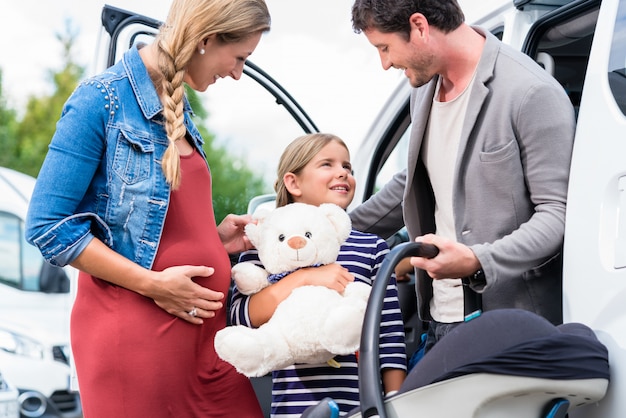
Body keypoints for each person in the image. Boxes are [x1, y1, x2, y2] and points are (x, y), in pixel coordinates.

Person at [24, 0, 271, 416]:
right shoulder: (99, 100)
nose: (237, 72)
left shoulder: (178, 104)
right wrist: (154, 284)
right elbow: (48, 225)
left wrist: (214, 238)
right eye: (240, 57)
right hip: (135, 335)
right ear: (207, 39)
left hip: (207, 338)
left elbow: (154, 222)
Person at [349, 0, 576, 353]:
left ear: (419, 26)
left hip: (512, 327)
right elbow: (412, 184)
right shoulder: (423, 91)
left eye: (384, 47)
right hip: (440, 320)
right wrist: (326, 232)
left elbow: (557, 216)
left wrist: (477, 260)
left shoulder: (530, 92)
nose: (385, 63)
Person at [229, 133, 407, 416]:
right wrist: (304, 278)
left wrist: (397, 400)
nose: (343, 173)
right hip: (293, 409)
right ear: (293, 182)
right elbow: (242, 318)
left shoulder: (372, 247)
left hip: (361, 406)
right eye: (328, 164)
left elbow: (388, 333)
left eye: (348, 167)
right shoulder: (265, 244)